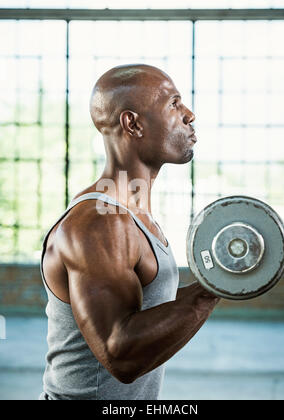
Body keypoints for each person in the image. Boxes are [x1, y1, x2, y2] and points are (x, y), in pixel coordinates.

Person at [38, 64, 220, 400]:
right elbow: (120, 354)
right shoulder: (99, 222)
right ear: (132, 123)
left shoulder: (133, 213)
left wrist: (213, 284)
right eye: (174, 104)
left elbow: (148, 312)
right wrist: (214, 289)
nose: (189, 115)